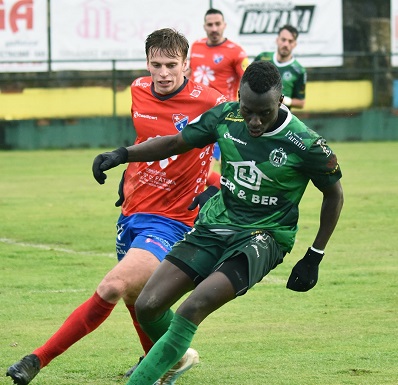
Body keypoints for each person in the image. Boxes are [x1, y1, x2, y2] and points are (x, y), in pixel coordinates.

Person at [91, 60, 344, 385]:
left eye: (263, 113)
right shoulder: (226, 116)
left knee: (191, 308)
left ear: (280, 101)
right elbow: (174, 143)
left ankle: (142, 379)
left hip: (262, 238)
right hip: (215, 225)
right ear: (238, 96)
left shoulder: (306, 144)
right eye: (247, 109)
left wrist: (315, 255)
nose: (253, 120)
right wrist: (123, 154)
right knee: (147, 306)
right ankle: (176, 358)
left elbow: (334, 195)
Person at [6, 28, 227, 385]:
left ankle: (36, 360)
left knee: (113, 285)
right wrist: (128, 177)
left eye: (172, 64)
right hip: (134, 210)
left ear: (187, 64)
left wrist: (215, 186)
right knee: (135, 295)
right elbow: (147, 141)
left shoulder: (211, 102)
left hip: (172, 221)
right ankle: (166, 361)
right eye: (157, 64)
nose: (164, 73)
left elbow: (237, 141)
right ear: (147, 64)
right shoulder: (138, 89)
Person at [188, 8, 249, 177]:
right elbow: (189, 75)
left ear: (224, 25)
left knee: (204, 173)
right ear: (204, 26)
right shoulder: (196, 46)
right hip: (196, 115)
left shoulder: (236, 51)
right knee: (195, 171)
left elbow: (248, 81)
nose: (214, 28)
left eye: (217, 24)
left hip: (221, 116)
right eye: (210, 25)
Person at [255, 25, 306, 110]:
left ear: (295, 44)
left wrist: (284, 100)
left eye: (290, 41)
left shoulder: (299, 70)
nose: (286, 44)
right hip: (258, 113)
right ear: (277, 40)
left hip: (281, 117)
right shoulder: (262, 58)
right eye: (283, 40)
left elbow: (301, 103)